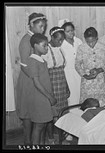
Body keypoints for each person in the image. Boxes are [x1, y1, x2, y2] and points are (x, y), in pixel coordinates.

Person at [16, 12, 47, 145]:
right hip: (28, 80)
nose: (42, 29)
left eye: (44, 27)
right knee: (27, 112)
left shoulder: (37, 39)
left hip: (35, 78)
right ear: (31, 25)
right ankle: (27, 142)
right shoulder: (25, 40)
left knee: (36, 112)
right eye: (40, 26)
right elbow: (23, 66)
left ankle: (35, 142)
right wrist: (36, 79)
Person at [42, 26, 70, 144]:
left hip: (61, 83)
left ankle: (61, 138)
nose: (60, 42)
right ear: (51, 37)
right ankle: (52, 138)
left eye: (62, 40)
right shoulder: (45, 50)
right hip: (51, 83)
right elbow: (43, 72)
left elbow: (63, 71)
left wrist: (67, 86)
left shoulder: (60, 49)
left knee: (62, 112)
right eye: (58, 39)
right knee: (52, 113)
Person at [27, 33, 57, 145]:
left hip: (44, 98)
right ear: (35, 46)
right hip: (39, 98)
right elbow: (36, 82)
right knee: (39, 126)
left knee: (43, 125)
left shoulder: (41, 60)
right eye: (44, 45)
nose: (46, 48)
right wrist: (49, 97)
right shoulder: (33, 61)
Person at [75, 27, 105, 105]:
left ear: (96, 38)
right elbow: (77, 64)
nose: (91, 44)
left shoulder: (103, 47)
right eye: (88, 42)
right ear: (85, 39)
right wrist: (84, 75)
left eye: (93, 41)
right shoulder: (81, 48)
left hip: (100, 82)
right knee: (87, 105)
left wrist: (100, 70)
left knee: (101, 104)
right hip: (87, 82)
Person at [60, 21, 82, 106]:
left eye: (72, 30)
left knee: (80, 94)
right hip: (68, 73)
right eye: (68, 31)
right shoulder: (61, 44)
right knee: (72, 96)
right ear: (63, 32)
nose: (71, 33)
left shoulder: (78, 41)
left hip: (79, 72)